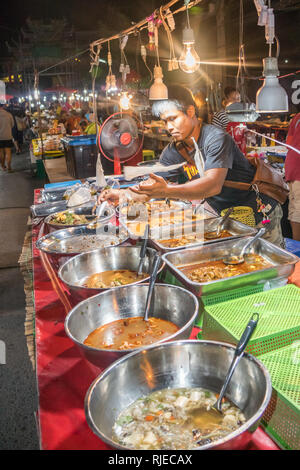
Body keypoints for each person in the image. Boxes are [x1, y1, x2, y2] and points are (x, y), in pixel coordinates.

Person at [99, 85, 284, 247]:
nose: (169, 127)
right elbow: (152, 185)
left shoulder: (216, 139)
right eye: (165, 121)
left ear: (190, 111)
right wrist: (124, 194)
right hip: (229, 216)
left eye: (173, 118)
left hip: (260, 211)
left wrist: (167, 191)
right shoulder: (172, 151)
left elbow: (212, 185)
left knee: (273, 268)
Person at [285, 112, 300, 240]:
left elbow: (289, 141)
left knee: (296, 207)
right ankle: (298, 247)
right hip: (298, 168)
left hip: (292, 165)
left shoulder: (297, 116)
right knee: (298, 208)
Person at [0, 103, 15, 172]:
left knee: (1, 152)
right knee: (8, 152)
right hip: (8, 135)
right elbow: (12, 125)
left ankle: (3, 167)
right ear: (2, 107)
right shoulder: (9, 114)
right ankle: (9, 167)